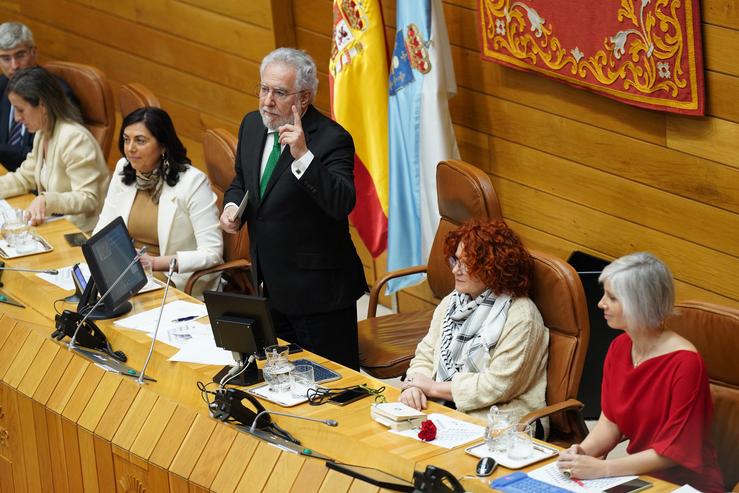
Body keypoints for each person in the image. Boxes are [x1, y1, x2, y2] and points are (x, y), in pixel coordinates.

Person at [220, 47, 366, 370]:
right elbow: (242, 181)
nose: (267, 101)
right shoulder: (252, 125)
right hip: (270, 288)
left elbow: (342, 202)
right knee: (283, 384)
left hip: (320, 296)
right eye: (264, 88)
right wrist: (233, 206)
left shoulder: (331, 139)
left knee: (331, 386)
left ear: (303, 99)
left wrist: (303, 156)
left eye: (279, 93)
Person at [557, 252, 724, 492]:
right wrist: (582, 452)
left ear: (640, 302)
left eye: (612, 298)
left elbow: (673, 452)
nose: (600, 303)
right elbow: (610, 423)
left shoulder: (686, 364)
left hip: (682, 483)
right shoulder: (619, 346)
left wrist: (603, 469)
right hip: (636, 476)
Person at [400, 219, 549, 423]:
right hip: (447, 403)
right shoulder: (453, 301)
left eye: (467, 264)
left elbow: (497, 386)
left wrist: (433, 387)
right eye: (455, 260)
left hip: (503, 416)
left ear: (493, 268)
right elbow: (426, 353)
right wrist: (415, 385)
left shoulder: (522, 316)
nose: (455, 270)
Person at [94, 107, 223, 297]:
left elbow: (212, 253)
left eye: (140, 140)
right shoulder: (125, 168)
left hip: (173, 279)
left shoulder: (193, 182)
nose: (130, 148)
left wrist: (154, 264)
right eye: (126, 139)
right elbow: (102, 231)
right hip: (128, 271)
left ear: (163, 145)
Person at [0, 67, 107, 232]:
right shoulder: (42, 133)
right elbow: (23, 178)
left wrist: (46, 201)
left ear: (42, 104)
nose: (16, 118)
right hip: (58, 225)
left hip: (82, 232)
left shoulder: (75, 139)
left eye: (20, 110)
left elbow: (88, 198)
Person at [0, 22, 78, 171]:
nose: (14, 65)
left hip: (38, 180)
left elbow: (45, 155)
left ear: (34, 52)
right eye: (5, 58)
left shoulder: (57, 93)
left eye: (20, 55)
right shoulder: (1, 85)